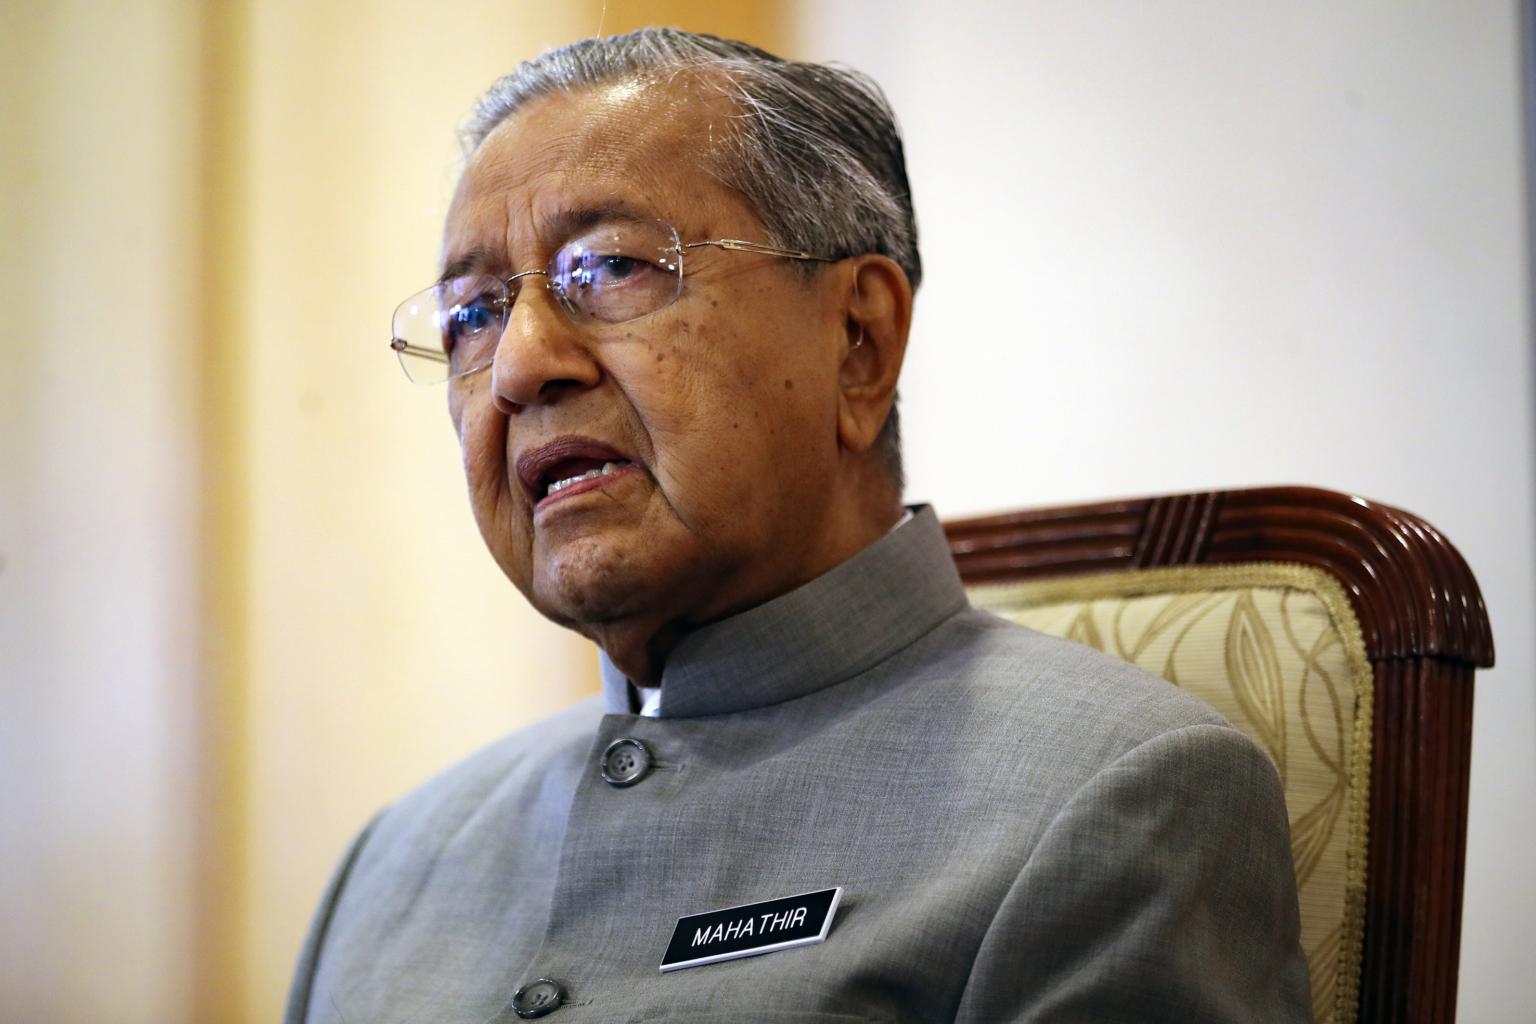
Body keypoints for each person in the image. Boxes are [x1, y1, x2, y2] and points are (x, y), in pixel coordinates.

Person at [286, 27, 1310, 1024]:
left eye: (609, 267)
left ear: (859, 340)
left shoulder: (1119, 797)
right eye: (473, 314)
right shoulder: (388, 871)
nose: (518, 365)